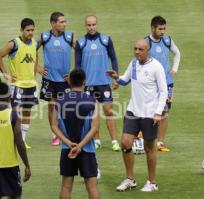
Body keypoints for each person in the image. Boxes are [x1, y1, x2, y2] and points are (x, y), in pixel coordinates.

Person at [107, 39, 167, 192]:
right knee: (125, 143)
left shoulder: (156, 67)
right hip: (133, 111)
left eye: (140, 49)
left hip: (150, 113)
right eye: (135, 49)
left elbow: (163, 91)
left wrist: (158, 112)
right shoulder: (134, 63)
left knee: (149, 147)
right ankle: (130, 179)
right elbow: (125, 80)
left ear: (148, 50)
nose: (137, 52)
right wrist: (116, 77)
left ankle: (152, 183)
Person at [51, 68, 100, 199]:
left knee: (66, 186)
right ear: (85, 82)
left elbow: (54, 126)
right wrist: (80, 146)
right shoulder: (92, 101)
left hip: (67, 149)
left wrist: (69, 143)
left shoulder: (59, 102)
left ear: (70, 82)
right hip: (87, 150)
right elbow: (94, 128)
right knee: (92, 187)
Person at [75, 15, 121, 151]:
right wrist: (79, 83)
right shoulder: (81, 43)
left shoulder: (106, 40)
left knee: (108, 110)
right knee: (93, 113)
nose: (91, 27)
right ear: (85, 26)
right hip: (88, 84)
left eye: (93, 24)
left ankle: (114, 141)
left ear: (97, 25)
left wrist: (115, 78)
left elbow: (114, 59)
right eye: (89, 25)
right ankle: (96, 140)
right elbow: (77, 65)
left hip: (104, 83)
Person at [0, 18, 38, 149]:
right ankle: (11, 139)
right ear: (21, 30)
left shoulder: (34, 43)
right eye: (27, 30)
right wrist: (5, 73)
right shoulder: (14, 44)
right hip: (18, 85)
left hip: (31, 85)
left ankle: (22, 141)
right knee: (15, 114)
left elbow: (35, 58)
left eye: (32, 30)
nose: (30, 33)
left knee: (27, 113)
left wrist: (34, 75)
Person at [38, 11, 74, 146]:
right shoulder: (45, 37)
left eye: (65, 22)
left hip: (65, 80)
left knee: (65, 108)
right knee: (52, 107)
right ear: (53, 23)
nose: (65, 24)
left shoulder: (69, 37)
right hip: (50, 79)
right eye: (61, 22)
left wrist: (74, 73)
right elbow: (29, 50)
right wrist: (37, 67)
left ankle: (64, 132)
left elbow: (81, 52)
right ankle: (55, 134)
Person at [145, 16, 181, 152]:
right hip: (151, 84)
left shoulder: (167, 40)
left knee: (165, 111)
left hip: (167, 83)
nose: (162, 32)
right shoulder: (146, 42)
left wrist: (174, 69)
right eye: (160, 29)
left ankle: (160, 143)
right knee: (149, 110)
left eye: (164, 29)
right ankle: (146, 136)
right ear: (153, 28)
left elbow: (177, 53)